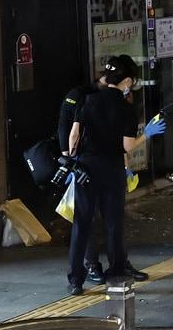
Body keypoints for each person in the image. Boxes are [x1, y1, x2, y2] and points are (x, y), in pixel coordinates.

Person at [65, 55, 165, 295]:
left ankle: (76, 280)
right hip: (111, 169)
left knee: (82, 223)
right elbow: (128, 147)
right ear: (127, 81)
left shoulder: (87, 100)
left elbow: (73, 135)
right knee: (113, 223)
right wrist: (147, 134)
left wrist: (72, 162)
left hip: (86, 168)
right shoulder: (126, 108)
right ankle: (116, 272)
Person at [59, 73, 106, 284]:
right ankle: (88, 267)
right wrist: (68, 160)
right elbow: (69, 129)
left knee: (91, 218)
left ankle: (89, 269)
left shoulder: (106, 99)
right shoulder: (81, 97)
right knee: (86, 218)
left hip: (95, 163)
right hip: (81, 164)